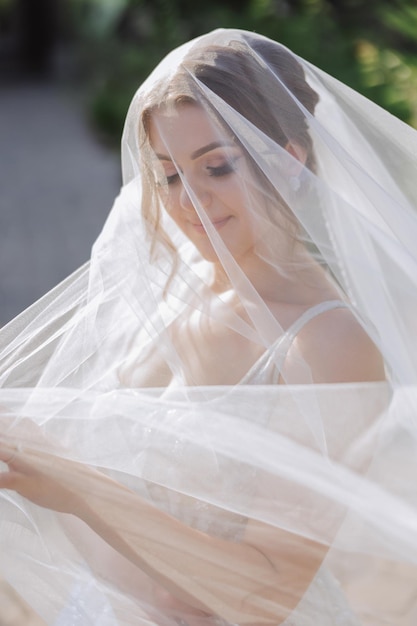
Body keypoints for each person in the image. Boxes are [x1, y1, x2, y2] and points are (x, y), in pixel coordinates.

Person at [0, 28, 417, 626]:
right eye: (169, 175)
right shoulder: (178, 286)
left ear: (289, 160)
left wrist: (79, 485)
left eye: (216, 168)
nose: (189, 204)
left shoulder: (327, 344)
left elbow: (267, 597)